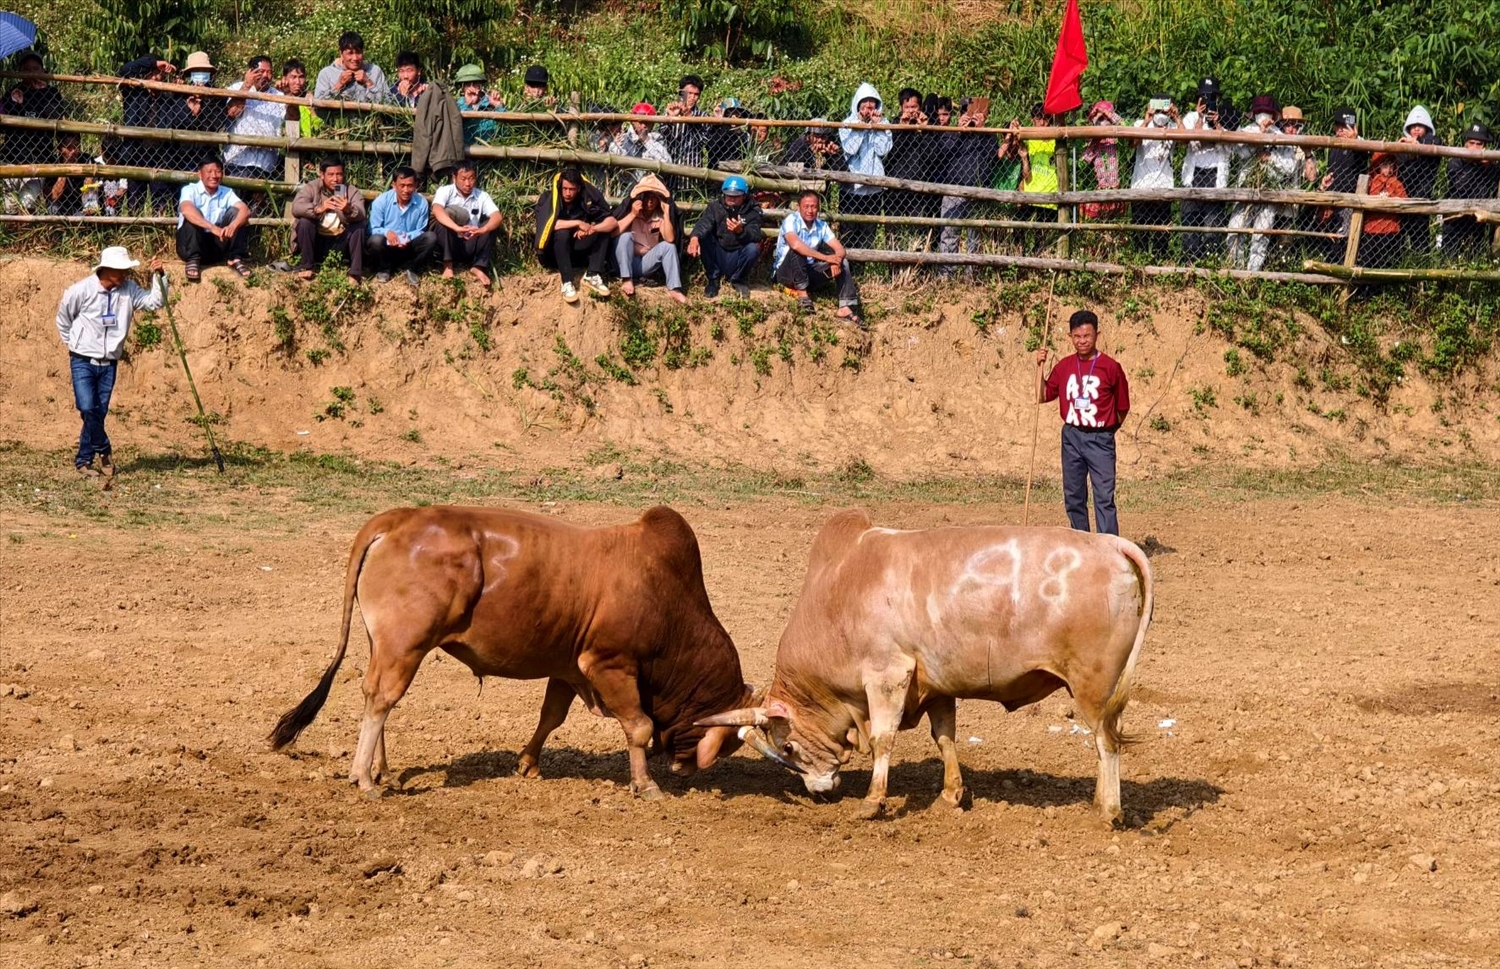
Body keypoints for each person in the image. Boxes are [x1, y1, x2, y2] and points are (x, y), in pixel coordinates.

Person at [55, 247, 166, 478]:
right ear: (106, 269)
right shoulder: (81, 290)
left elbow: (154, 302)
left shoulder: (129, 291)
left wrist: (160, 277)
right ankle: (104, 450)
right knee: (87, 407)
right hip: (82, 360)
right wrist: (74, 344)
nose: (126, 274)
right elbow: (64, 318)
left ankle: (84, 461)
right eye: (121, 270)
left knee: (96, 413)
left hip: (109, 364)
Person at [1035, 310, 1130, 535]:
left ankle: (1107, 547)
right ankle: (1081, 542)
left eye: (1087, 336)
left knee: (1104, 497)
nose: (1082, 341)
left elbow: (1122, 407)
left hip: (1100, 438)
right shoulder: (1065, 366)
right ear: (1070, 337)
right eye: (1077, 336)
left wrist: (1107, 430)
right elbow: (1041, 395)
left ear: (1097, 334)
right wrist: (1038, 367)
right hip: (1071, 437)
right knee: (1073, 494)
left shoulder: (1110, 367)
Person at [773, 190, 863, 327]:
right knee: (797, 251)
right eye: (806, 206)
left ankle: (844, 307)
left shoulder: (821, 226)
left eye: (814, 206)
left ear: (818, 208)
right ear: (799, 207)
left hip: (808, 273)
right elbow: (796, 245)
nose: (810, 210)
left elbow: (840, 249)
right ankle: (803, 295)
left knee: (843, 262)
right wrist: (827, 258)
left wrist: (836, 261)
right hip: (786, 273)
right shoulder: (791, 221)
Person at [1227, 95, 1296, 272]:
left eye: (1266, 112)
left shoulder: (1282, 137)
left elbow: (1289, 167)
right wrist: (1260, 137)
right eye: (1259, 112)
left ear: (1274, 115)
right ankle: (1236, 269)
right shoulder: (1245, 131)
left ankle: (1252, 273)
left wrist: (1270, 158)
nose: (1263, 115)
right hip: (1246, 189)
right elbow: (1240, 154)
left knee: (1261, 234)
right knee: (1235, 230)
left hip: (1269, 190)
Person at [533, 168, 616, 303]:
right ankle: (567, 282)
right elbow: (548, 225)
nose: (567, 193)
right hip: (553, 254)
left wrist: (591, 229)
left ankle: (592, 274)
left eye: (572, 189)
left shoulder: (584, 202)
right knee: (562, 233)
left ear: (578, 189)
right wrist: (577, 223)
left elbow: (612, 222)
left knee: (602, 231)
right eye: (565, 188)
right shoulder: (548, 199)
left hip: (576, 252)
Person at [935, 97, 998, 277]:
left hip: (978, 190)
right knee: (949, 234)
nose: (968, 116)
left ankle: (973, 276)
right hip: (953, 189)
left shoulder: (988, 135)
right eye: (964, 112)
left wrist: (982, 130)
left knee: (975, 236)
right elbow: (943, 153)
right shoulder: (951, 133)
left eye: (972, 113)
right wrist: (958, 131)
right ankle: (947, 276)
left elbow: (992, 155)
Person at [2, 50, 67, 212]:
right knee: (10, 207)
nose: (31, 73)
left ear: (43, 71)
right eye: (27, 69)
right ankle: (16, 235)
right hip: (11, 157)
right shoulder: (13, 92)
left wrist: (42, 91)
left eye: (35, 68)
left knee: (28, 204)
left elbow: (58, 121)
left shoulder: (51, 93)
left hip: (38, 159)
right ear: (20, 72)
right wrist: (16, 103)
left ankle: (26, 234)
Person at [290, 157, 367, 282]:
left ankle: (355, 273)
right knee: (304, 222)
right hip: (317, 243)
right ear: (322, 174)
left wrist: (348, 209)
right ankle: (307, 267)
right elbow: (296, 207)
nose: (335, 179)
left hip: (341, 243)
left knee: (359, 226)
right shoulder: (312, 187)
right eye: (331, 175)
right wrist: (319, 209)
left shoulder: (350, 190)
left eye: (339, 174)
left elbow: (362, 213)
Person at [612, 174, 686, 303]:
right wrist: (633, 214)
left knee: (669, 247)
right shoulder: (632, 211)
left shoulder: (660, 216)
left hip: (645, 263)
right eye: (647, 197)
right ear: (641, 197)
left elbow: (669, 239)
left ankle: (674, 288)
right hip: (626, 261)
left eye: (654, 198)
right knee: (625, 236)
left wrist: (666, 214)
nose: (650, 201)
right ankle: (627, 279)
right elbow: (613, 233)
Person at [1179, 77, 1230, 260]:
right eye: (1204, 97)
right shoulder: (1190, 118)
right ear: (1198, 99)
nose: (1208, 101)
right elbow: (1192, 143)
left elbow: (1228, 147)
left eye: (1211, 97)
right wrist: (1200, 120)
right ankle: (1190, 261)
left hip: (1215, 175)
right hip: (1194, 174)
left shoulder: (1225, 116)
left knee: (1212, 227)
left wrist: (1217, 124)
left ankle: (1211, 262)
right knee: (1190, 223)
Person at [688, 175, 764, 298]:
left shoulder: (753, 211)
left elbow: (755, 235)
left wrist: (740, 231)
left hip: (738, 254)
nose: (732, 199)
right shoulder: (715, 207)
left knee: (753, 249)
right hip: (719, 252)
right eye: (729, 195)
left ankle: (738, 279)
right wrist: (694, 237)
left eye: (736, 196)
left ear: (744, 196)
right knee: (704, 238)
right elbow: (704, 223)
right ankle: (713, 279)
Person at [177, 157, 252, 281]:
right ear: (200, 174)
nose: (214, 175)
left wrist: (232, 226)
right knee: (194, 214)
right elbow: (186, 209)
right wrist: (212, 228)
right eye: (209, 171)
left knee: (237, 213)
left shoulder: (227, 192)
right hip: (190, 245)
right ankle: (193, 259)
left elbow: (245, 210)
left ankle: (235, 258)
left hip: (217, 247)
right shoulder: (190, 189)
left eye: (218, 171)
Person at [431, 160, 503, 288]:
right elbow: (437, 210)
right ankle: (448, 265)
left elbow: (497, 216)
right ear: (454, 178)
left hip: (471, 242)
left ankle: (478, 266)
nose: (468, 183)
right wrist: (456, 228)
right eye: (463, 179)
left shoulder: (482, 196)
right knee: (441, 223)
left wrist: (483, 229)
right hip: (450, 242)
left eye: (471, 178)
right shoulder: (445, 191)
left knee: (492, 225)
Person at [838, 83, 892, 252]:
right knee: (848, 233)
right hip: (852, 188)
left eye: (872, 103)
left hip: (874, 188)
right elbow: (850, 148)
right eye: (865, 103)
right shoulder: (847, 123)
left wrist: (877, 128)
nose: (869, 107)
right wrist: (861, 126)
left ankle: (863, 269)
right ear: (858, 104)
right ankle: (847, 270)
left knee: (869, 234)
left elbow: (883, 150)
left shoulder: (884, 123)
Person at [160, 52, 230, 174]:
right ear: (190, 75)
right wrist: (190, 112)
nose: (201, 76)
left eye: (204, 71)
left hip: (208, 154)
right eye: (197, 71)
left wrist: (202, 108)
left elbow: (216, 124)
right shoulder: (180, 96)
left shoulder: (218, 97)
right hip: (181, 156)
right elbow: (175, 122)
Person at [366, 166, 435, 285]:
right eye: (402, 185)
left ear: (415, 186)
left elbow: (421, 230)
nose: (406, 190)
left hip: (409, 246)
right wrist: (387, 232)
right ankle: (384, 268)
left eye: (410, 186)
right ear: (394, 185)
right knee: (375, 240)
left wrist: (406, 237)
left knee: (430, 238)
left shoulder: (422, 203)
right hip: (387, 246)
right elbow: (372, 229)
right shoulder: (381, 202)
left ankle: (412, 268)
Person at [1130, 94, 1179, 258]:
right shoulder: (1140, 124)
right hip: (1141, 186)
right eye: (1158, 108)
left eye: (1164, 109)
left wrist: (1177, 117)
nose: (1161, 113)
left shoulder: (1173, 127)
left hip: (1163, 188)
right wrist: (1147, 119)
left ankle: (1160, 264)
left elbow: (1187, 141)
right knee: (1140, 233)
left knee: (1162, 234)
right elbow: (1133, 143)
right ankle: (1139, 262)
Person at [224, 55, 285, 185]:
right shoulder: (236, 88)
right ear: (250, 71)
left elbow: (290, 121)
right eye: (261, 71)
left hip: (266, 164)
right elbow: (232, 112)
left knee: (260, 204)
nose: (265, 76)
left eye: (269, 72)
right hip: (238, 161)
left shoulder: (279, 96)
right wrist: (246, 86)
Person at [1318, 108, 1368, 261]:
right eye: (1338, 126)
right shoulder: (1334, 147)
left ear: (1354, 127)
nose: (1341, 130)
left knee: (1345, 238)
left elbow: (1365, 159)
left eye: (1345, 127)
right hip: (1333, 200)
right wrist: (1326, 183)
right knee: (1330, 238)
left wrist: (1354, 142)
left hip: (1351, 201)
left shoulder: (1362, 145)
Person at [1443, 122, 1496, 259]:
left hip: (1478, 220)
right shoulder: (1455, 162)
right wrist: (1475, 165)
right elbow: (1461, 185)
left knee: (1475, 257)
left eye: (1479, 144)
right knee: (1450, 259)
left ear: (1485, 146)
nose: (1474, 147)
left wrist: (1488, 164)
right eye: (1471, 143)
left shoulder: (1491, 166)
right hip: (1455, 219)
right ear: (1465, 144)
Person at [886, 87, 934, 222]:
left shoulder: (926, 125)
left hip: (918, 187)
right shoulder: (893, 125)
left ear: (920, 107)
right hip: (894, 186)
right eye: (907, 107)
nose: (911, 110)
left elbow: (932, 156)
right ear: (901, 107)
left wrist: (925, 130)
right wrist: (902, 127)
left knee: (917, 227)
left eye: (914, 106)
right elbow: (890, 151)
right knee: (892, 229)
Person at [1397, 105, 1440, 256]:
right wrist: (1409, 151)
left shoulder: (1432, 141)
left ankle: (1421, 261)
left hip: (1422, 197)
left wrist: (1418, 146)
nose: (1416, 129)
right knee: (1399, 238)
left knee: (1420, 239)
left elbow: (1436, 143)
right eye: (1413, 126)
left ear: (1427, 127)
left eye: (1420, 126)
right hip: (1402, 198)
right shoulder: (1401, 146)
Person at [1020, 103, 1060, 252]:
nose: (1042, 123)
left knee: (1042, 234)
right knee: (1018, 226)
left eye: (1045, 119)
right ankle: (1020, 255)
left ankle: (1039, 259)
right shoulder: (1030, 139)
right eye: (1038, 119)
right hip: (1031, 191)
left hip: (1049, 193)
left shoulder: (1057, 138)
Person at [1079, 100, 1126, 221]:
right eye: (1100, 120)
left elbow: (1124, 125)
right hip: (1097, 192)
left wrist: (1108, 113)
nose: (1103, 123)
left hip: (1115, 191)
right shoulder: (1093, 142)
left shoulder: (1117, 140)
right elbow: (1082, 164)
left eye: (1106, 119)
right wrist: (1095, 118)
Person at [314, 32, 388, 106]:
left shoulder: (374, 71)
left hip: (370, 117)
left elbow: (388, 101)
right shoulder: (327, 73)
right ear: (341, 54)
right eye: (350, 53)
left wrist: (368, 83)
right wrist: (339, 85)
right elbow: (318, 104)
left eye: (358, 53)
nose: (355, 58)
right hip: (336, 117)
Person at [1360, 153, 1407, 269]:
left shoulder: (1396, 183)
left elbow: (1404, 199)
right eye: (1385, 166)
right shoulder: (1372, 181)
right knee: (1368, 261)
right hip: (1371, 228)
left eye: (1391, 166)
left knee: (1385, 262)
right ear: (1378, 166)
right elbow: (1370, 195)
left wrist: (1390, 194)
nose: (1389, 170)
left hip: (1390, 229)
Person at [608, 102, 673, 184]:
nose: (643, 126)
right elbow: (614, 168)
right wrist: (616, 147)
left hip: (651, 187)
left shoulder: (656, 138)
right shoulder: (623, 139)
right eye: (640, 122)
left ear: (653, 123)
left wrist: (646, 141)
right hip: (627, 187)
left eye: (647, 122)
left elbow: (667, 163)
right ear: (632, 121)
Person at [663, 75, 707, 171]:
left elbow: (702, 141)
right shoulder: (669, 111)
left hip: (692, 168)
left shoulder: (703, 116)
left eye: (696, 94)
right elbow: (662, 138)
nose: (692, 98)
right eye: (689, 93)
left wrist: (690, 118)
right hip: (669, 168)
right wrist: (671, 119)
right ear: (681, 93)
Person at [452, 64, 500, 144]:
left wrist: (499, 107)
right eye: (467, 84)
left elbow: (505, 131)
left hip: (489, 152)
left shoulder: (491, 104)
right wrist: (468, 105)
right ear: (462, 87)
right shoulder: (456, 106)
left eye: (475, 83)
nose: (471, 87)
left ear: (481, 85)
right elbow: (454, 128)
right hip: (464, 153)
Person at [782, 121, 847, 172]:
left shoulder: (829, 145)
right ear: (808, 136)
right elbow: (791, 167)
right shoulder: (799, 145)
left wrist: (834, 155)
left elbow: (843, 171)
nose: (820, 140)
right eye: (817, 135)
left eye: (823, 136)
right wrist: (812, 156)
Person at [280, 59, 321, 138]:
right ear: (285, 78)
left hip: (307, 145)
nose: (298, 82)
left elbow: (318, 129)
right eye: (293, 77)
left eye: (301, 77)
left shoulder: (309, 98)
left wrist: (312, 110)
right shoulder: (278, 97)